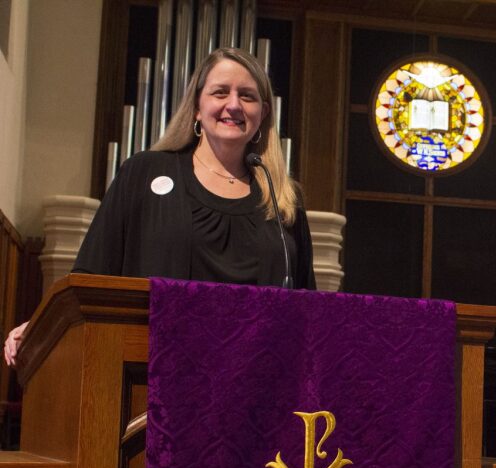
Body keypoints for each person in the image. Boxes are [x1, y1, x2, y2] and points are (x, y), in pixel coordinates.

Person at [4, 48, 316, 366]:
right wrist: (43, 326)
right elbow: (89, 276)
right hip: (156, 371)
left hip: (259, 378)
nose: (233, 105)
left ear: (263, 112)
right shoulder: (143, 173)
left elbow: (309, 307)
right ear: (197, 106)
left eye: (247, 96)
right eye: (220, 92)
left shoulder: (284, 200)